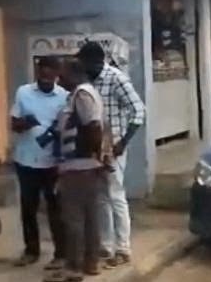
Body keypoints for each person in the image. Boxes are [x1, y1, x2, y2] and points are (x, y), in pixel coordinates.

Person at [76, 42, 145, 269]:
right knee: (101, 197)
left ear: (95, 61)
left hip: (114, 146)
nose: (81, 66)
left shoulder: (116, 78)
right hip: (96, 146)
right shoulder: (88, 82)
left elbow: (139, 111)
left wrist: (123, 142)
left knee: (115, 195)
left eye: (83, 61)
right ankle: (105, 245)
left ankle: (123, 248)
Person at [50, 59, 108, 282]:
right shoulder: (82, 94)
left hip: (79, 166)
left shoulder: (82, 94)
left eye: (63, 74)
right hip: (84, 165)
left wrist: (93, 155)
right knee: (89, 217)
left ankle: (74, 267)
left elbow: (93, 126)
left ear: (75, 74)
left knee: (73, 218)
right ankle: (90, 263)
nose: (59, 79)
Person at [10, 56, 68, 267]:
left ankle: (61, 254)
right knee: (28, 208)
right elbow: (13, 124)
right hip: (26, 160)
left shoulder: (65, 97)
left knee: (56, 209)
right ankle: (31, 250)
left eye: (49, 74)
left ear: (57, 74)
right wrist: (25, 123)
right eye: (42, 73)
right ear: (37, 72)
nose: (45, 78)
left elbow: (67, 128)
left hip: (52, 163)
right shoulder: (23, 92)